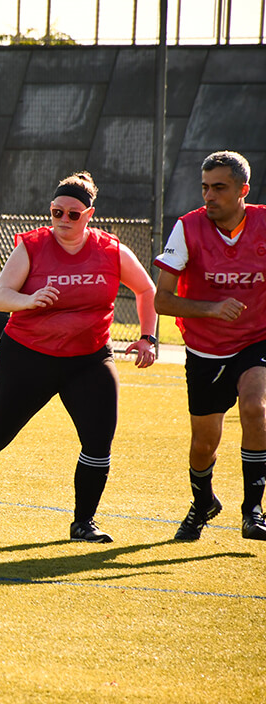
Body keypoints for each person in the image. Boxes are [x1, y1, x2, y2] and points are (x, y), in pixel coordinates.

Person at [0, 172, 158, 543]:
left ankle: (83, 523)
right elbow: (0, 296)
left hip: (89, 358)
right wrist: (29, 301)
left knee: (98, 442)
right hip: (29, 357)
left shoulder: (111, 250)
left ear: (89, 215)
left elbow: (146, 290)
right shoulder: (32, 246)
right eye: (56, 212)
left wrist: (147, 338)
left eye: (73, 214)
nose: (63, 220)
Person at [154, 150, 266, 542]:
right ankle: (202, 503)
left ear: (243, 191)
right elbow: (161, 301)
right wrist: (213, 309)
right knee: (204, 444)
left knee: (256, 407)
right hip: (205, 350)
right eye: (205, 187)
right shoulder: (187, 228)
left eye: (219, 188)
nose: (209, 196)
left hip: (256, 341)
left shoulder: (264, 223)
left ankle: (253, 509)